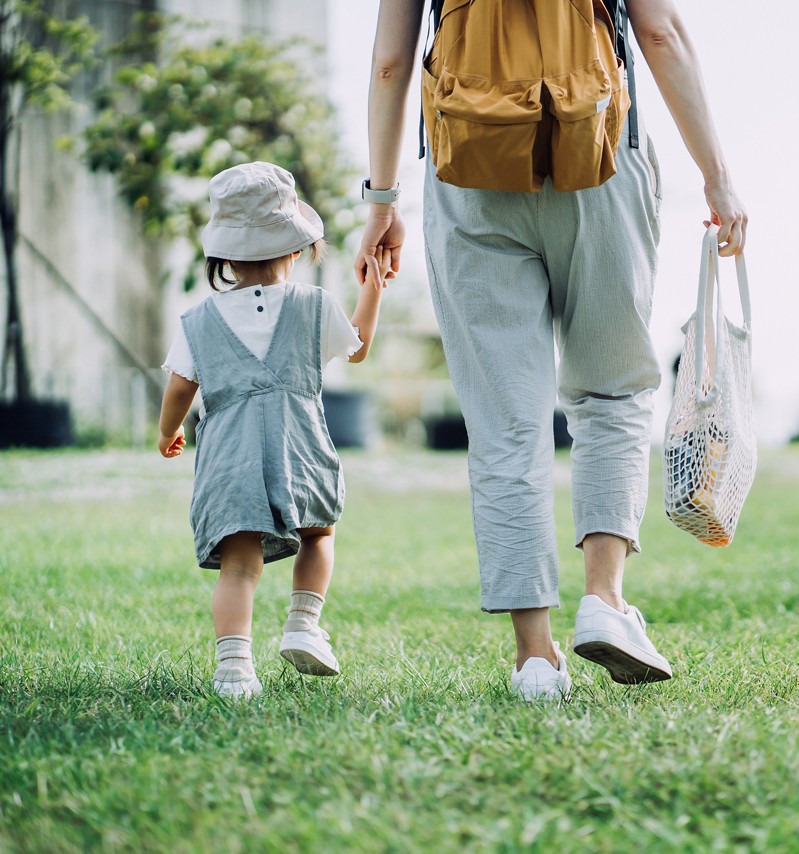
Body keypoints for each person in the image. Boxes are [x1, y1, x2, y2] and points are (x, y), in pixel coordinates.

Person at [357, 0, 747, 701]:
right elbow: (659, 33)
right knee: (612, 388)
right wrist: (717, 178)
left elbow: (390, 62)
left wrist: (382, 201)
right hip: (597, 156)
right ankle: (604, 599)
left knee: (507, 421)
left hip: (469, 175)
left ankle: (534, 658)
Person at [158, 161, 389, 698]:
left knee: (239, 567)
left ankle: (234, 668)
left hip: (231, 460)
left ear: (224, 255)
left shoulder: (199, 320)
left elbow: (178, 388)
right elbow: (358, 346)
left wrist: (168, 431)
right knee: (319, 532)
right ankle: (304, 624)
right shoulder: (314, 305)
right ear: (295, 248)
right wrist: (371, 290)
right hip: (300, 447)